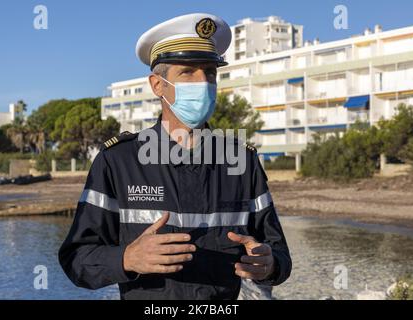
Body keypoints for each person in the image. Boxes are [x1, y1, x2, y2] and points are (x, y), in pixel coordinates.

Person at [58, 13, 291, 300]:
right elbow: (76, 260)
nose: (203, 82)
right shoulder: (117, 161)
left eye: (210, 73)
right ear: (157, 85)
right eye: (188, 72)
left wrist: (269, 264)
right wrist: (127, 259)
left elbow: (279, 254)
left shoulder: (242, 160)